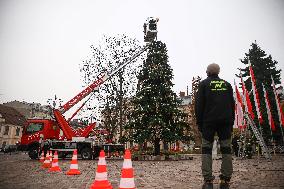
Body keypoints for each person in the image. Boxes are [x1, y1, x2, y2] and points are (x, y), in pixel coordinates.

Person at [195, 63, 235, 189]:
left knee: (206, 149)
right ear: (218, 72)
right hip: (225, 121)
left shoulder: (204, 84)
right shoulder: (227, 85)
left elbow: (199, 105)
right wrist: (231, 121)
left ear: (207, 72)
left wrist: (199, 123)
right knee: (226, 149)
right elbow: (232, 104)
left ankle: (208, 182)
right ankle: (225, 181)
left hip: (209, 121)